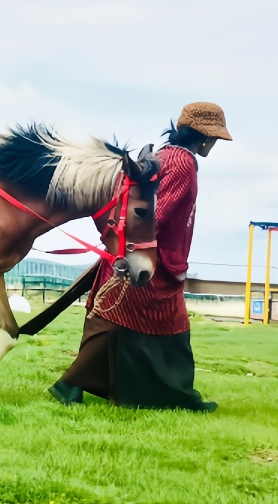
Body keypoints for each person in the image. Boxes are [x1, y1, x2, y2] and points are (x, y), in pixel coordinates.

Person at [49, 101, 232, 411]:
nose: (214, 144)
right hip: (150, 261)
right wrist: (136, 253)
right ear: (202, 136)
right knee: (146, 323)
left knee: (117, 320)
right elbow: (154, 216)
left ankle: (76, 387)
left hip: (143, 256)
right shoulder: (182, 163)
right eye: (214, 138)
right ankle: (179, 399)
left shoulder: (164, 155)